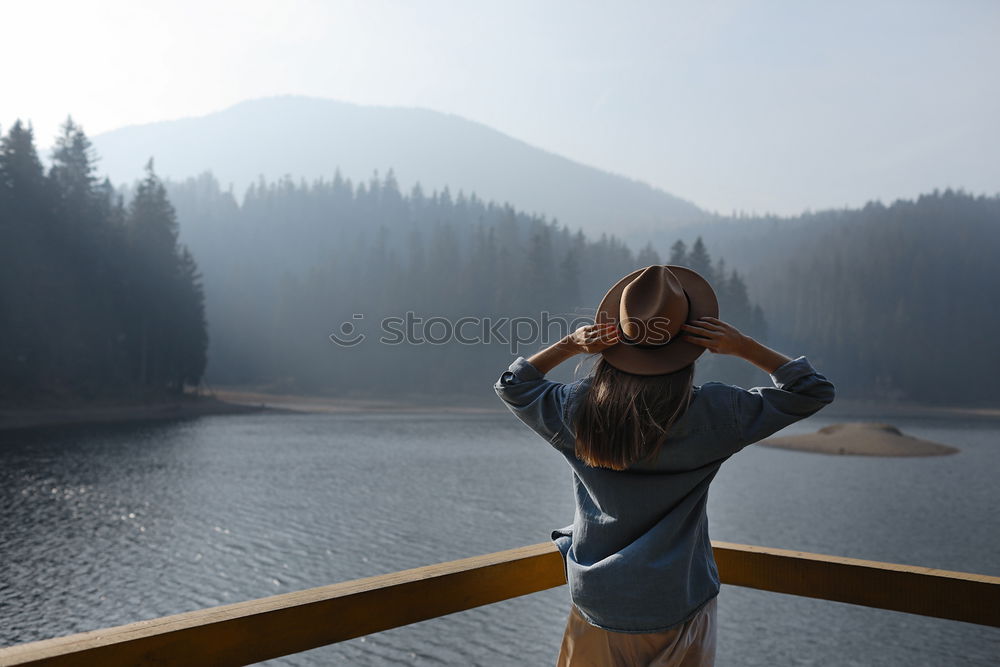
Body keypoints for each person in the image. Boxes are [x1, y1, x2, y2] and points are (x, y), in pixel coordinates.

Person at [494, 265, 835, 666]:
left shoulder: (577, 409)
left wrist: (569, 345)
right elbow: (812, 390)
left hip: (601, 601)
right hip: (676, 599)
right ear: (689, 345)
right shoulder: (716, 413)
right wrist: (743, 346)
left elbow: (514, 386)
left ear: (614, 342)